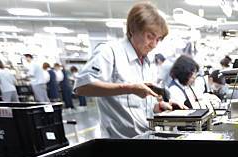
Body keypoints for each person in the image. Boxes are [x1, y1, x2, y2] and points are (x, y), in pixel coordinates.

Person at [74, 2, 184, 138]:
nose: (154, 44)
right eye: (150, 36)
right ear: (133, 30)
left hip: (146, 138)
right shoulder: (110, 52)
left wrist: (161, 107)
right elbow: (82, 87)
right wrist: (129, 88)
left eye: (158, 39)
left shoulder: (148, 62)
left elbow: (142, 107)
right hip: (121, 146)